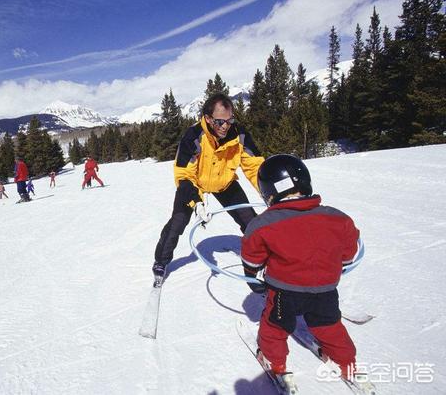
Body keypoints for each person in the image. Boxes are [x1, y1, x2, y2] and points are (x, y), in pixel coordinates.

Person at [241, 154, 366, 385]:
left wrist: (255, 278)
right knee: (329, 325)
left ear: (269, 193)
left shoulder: (262, 224)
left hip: (284, 293)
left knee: (274, 327)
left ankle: (274, 361)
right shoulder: (338, 218)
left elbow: (252, 261)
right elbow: (349, 255)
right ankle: (346, 362)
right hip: (326, 291)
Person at [152, 92, 264, 279]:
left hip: (224, 183)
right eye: (221, 122)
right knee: (177, 222)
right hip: (195, 184)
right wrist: (196, 201)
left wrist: (268, 192)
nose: (226, 126)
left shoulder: (239, 134)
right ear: (208, 118)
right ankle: (161, 262)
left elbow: (255, 166)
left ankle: (264, 260)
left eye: (230, 120)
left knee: (250, 222)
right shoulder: (194, 136)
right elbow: (183, 174)